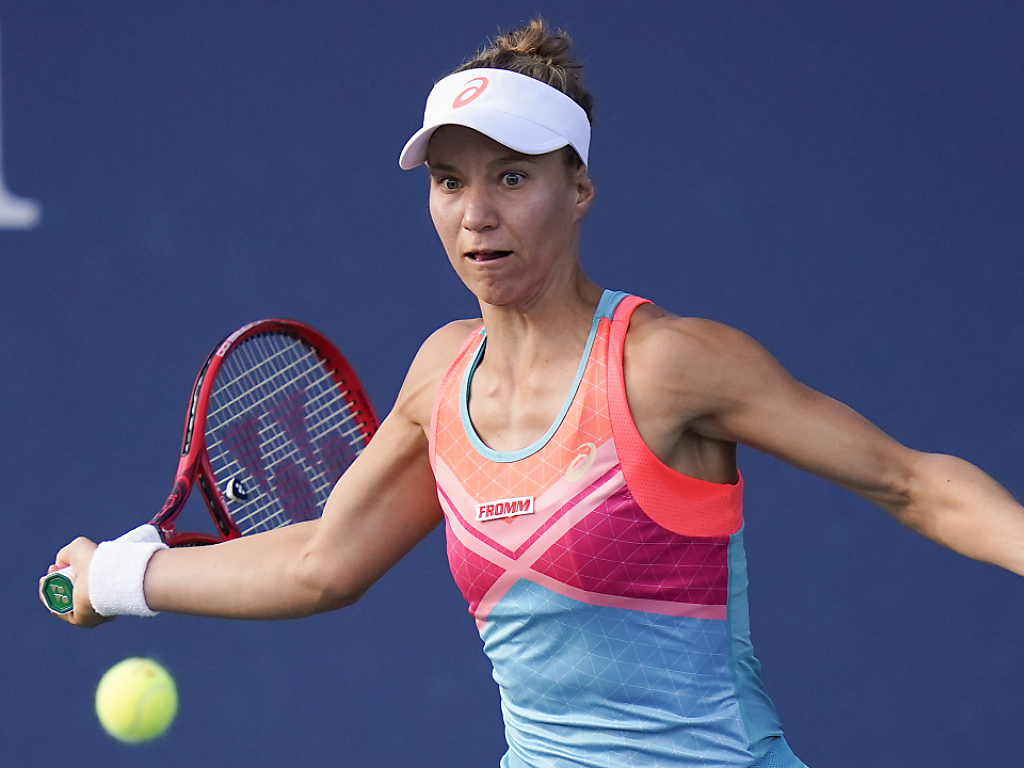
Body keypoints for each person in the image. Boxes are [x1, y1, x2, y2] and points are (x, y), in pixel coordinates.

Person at [44, 19, 1024, 768]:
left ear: (579, 188)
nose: (475, 216)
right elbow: (319, 563)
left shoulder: (666, 365)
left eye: (511, 178)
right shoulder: (440, 374)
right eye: (447, 181)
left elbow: (910, 483)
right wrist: (116, 581)